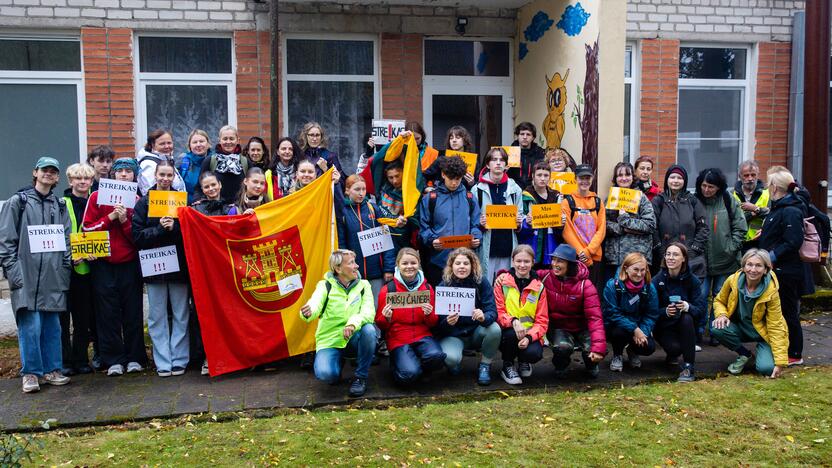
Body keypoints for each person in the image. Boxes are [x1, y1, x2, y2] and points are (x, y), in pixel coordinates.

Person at [0, 157, 72, 393]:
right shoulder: (17, 202)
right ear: (35, 173)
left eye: (53, 171)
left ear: (57, 177)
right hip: (26, 276)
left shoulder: (60, 205)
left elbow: (67, 240)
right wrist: (14, 272)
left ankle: (52, 370)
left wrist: (64, 268)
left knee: (53, 327)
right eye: (45, 170)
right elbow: (6, 241)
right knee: (30, 327)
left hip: (53, 276)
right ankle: (30, 373)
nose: (48, 174)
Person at [82, 157, 147, 377]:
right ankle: (114, 360)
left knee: (132, 312)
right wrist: (110, 217)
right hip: (103, 264)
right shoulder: (97, 196)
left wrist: (125, 221)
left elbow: (138, 238)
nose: (124, 175)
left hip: (129, 264)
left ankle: (136, 358)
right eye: (120, 171)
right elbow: (88, 229)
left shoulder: (138, 200)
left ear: (134, 175)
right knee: (107, 314)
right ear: (113, 174)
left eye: (129, 172)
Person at [132, 161, 190, 377]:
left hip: (178, 267)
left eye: (169, 175)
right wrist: (159, 229)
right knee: (157, 317)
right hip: (154, 265)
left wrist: (174, 228)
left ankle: (180, 359)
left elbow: (189, 235)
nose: (165, 178)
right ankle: (163, 361)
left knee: (180, 314)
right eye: (162, 174)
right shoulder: (144, 203)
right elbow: (137, 236)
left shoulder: (182, 202)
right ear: (155, 175)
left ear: (174, 176)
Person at [300, 249, 378, 397]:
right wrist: (308, 311)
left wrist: (352, 324)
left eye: (355, 262)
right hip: (330, 340)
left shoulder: (364, 285)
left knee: (369, 330)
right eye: (351, 263)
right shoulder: (324, 285)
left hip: (353, 337)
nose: (356, 266)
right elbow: (315, 303)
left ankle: (361, 377)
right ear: (338, 268)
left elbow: (368, 313)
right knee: (327, 375)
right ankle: (337, 363)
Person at [711, 249, 787, 378]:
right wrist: (722, 315)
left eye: (758, 265)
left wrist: (780, 362)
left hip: (763, 333)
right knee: (717, 328)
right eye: (749, 264)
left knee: (767, 369)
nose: (753, 269)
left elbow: (776, 325)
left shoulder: (771, 291)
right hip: (740, 328)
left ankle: (763, 352)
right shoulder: (732, 281)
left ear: (766, 269)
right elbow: (719, 300)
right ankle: (745, 354)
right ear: (744, 266)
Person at [375, 248, 445, 386]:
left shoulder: (426, 288)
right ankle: (399, 364)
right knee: (408, 375)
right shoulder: (388, 290)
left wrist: (429, 313)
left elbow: (433, 322)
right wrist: (386, 317)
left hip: (422, 335)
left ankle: (418, 366)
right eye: (405, 263)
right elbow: (380, 324)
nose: (409, 267)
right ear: (398, 265)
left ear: (418, 264)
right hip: (398, 338)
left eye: (413, 263)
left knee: (437, 357)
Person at [432, 248, 501, 385]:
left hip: (476, 332)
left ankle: (485, 365)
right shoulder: (444, 285)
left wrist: (484, 317)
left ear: (472, 265)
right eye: (458, 263)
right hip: (454, 335)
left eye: (466, 263)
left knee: (495, 329)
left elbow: (492, 311)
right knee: (450, 359)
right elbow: (436, 323)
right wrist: (447, 322)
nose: (462, 267)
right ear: (451, 266)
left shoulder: (481, 282)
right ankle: (454, 364)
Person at [759, 167, 805, 366]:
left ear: (775, 187)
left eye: (769, 185)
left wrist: (770, 256)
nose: (767, 188)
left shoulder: (791, 211)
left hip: (786, 271)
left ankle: (794, 352)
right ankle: (782, 347)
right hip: (777, 269)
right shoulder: (779, 208)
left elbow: (793, 241)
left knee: (788, 312)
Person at [695, 168, 747, 346]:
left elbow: (740, 227)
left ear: (719, 187)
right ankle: (698, 331)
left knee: (720, 297)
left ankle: (716, 331)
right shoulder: (695, 201)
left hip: (726, 260)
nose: (706, 190)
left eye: (711, 186)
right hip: (701, 261)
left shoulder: (728, 200)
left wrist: (731, 248)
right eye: (704, 185)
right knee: (700, 297)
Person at [540, 244, 605, 378]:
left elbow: (595, 318)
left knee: (591, 348)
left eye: (560, 261)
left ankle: (591, 364)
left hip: (583, 328)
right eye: (553, 260)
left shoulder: (585, 285)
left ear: (570, 264)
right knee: (562, 348)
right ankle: (560, 365)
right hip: (559, 328)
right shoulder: (546, 277)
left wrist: (598, 349)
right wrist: (504, 274)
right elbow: (525, 272)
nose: (554, 264)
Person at [418, 156, 483, 285]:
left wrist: (476, 237)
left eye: (458, 179)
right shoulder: (431, 198)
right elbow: (423, 227)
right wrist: (432, 240)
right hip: (438, 261)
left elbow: (476, 224)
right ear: (443, 174)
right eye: (450, 178)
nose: (454, 183)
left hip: (464, 261)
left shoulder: (469, 197)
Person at [60, 163, 96, 376]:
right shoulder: (60, 203)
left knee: (83, 318)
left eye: (86, 179)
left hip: (88, 269)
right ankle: (66, 361)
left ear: (91, 181)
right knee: (63, 319)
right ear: (70, 181)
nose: (82, 182)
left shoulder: (97, 201)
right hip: (66, 269)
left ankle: (82, 359)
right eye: (78, 178)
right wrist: (69, 256)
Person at [493, 245, 548, 385]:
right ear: (512, 261)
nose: (522, 265)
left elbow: (542, 320)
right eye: (518, 261)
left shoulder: (539, 287)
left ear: (533, 262)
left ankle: (524, 361)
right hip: (508, 330)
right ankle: (508, 365)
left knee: (534, 354)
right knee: (511, 335)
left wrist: (530, 337)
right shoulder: (502, 282)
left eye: (526, 261)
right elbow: (498, 312)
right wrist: (513, 321)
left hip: (530, 332)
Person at [651, 242, 706, 382]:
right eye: (668, 254)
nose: (671, 258)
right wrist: (665, 312)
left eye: (675, 254)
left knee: (686, 317)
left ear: (684, 259)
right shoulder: (657, 280)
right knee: (675, 349)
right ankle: (672, 353)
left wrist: (688, 306)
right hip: (664, 327)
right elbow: (649, 310)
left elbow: (701, 310)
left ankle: (688, 367)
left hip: (685, 327)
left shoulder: (692, 281)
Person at [338, 174, 396, 300]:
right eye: (357, 189)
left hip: (376, 273)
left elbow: (387, 241)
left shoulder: (374, 209)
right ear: (347, 191)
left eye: (363, 189)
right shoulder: (342, 212)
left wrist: (389, 269)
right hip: (353, 274)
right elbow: (341, 245)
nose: (361, 193)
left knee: (376, 308)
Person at [471, 147, 524, 281]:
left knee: (506, 286)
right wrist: (480, 224)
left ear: (506, 165)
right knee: (486, 286)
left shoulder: (515, 188)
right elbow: (471, 220)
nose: (498, 163)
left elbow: (520, 217)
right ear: (488, 164)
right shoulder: (477, 189)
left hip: (508, 246)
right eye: (494, 159)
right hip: (487, 247)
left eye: (502, 160)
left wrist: (519, 223)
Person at [602, 252, 660, 372]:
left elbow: (651, 314)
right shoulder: (612, 285)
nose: (639, 274)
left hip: (639, 325)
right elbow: (612, 314)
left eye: (643, 270)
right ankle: (617, 354)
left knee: (649, 347)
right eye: (636, 269)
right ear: (626, 268)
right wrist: (634, 329)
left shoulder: (649, 288)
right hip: (617, 326)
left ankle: (632, 350)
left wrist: (643, 331)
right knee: (619, 333)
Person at [652, 165, 709, 279]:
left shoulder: (692, 200)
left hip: (690, 258)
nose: (676, 181)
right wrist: (660, 248)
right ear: (667, 179)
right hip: (664, 258)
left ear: (685, 181)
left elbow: (703, 227)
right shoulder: (659, 200)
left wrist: (693, 250)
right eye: (672, 177)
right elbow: (652, 227)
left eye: (679, 178)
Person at [604, 162, 656, 281]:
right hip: (613, 258)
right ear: (615, 179)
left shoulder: (641, 198)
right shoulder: (610, 198)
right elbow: (603, 224)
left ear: (633, 177)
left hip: (636, 259)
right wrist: (622, 228)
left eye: (627, 175)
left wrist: (625, 220)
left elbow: (650, 224)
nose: (623, 178)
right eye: (620, 175)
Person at [519, 161, 562, 267]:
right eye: (539, 175)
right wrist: (527, 223)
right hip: (531, 245)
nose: (542, 178)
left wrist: (562, 223)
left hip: (550, 245)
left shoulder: (556, 196)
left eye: (546, 175)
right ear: (533, 176)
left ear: (550, 177)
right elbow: (519, 227)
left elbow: (560, 230)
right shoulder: (525, 196)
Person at [561, 164, 606, 268]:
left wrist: (588, 251)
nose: (585, 181)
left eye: (588, 178)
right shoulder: (567, 202)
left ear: (592, 178)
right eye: (581, 178)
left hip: (594, 256)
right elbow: (567, 231)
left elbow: (601, 230)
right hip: (574, 256)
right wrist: (581, 253)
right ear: (575, 178)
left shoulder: (598, 202)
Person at [200, 125, 248, 204]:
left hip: (240, 210)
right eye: (225, 139)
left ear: (238, 140)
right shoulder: (210, 161)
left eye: (231, 139)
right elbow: (199, 186)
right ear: (219, 140)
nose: (228, 142)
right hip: (216, 210)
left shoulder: (245, 162)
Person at [731, 160, 770, 249]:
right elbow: (732, 220)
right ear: (740, 176)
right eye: (746, 175)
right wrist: (751, 214)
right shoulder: (732, 194)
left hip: (760, 240)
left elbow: (772, 215)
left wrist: (756, 209)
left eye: (753, 175)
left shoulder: (767, 192)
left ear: (758, 175)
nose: (750, 178)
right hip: (738, 241)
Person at [136, 129, 185, 196]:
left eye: (169, 143)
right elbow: (151, 194)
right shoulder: (149, 165)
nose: (167, 146)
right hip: (164, 204)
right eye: (162, 144)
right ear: (153, 145)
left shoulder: (166, 160)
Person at [177, 129, 213, 204]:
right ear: (189, 146)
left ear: (208, 144)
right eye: (195, 142)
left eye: (201, 141)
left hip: (212, 208)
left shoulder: (215, 161)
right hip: (189, 208)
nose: (198, 144)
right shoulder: (182, 162)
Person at [508, 121, 546, 188]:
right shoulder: (509, 152)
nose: (525, 137)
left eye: (528, 134)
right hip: (513, 189)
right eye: (522, 134)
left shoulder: (540, 153)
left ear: (533, 137)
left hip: (534, 190)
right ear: (517, 136)